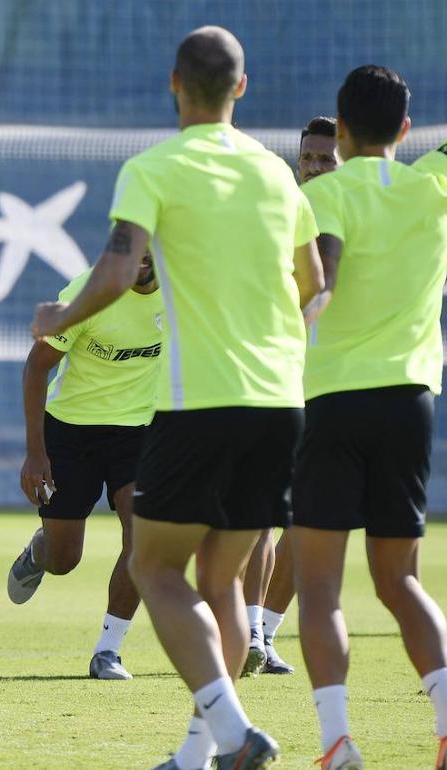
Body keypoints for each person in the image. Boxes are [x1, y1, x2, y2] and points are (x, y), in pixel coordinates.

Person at [31, 26, 323, 770]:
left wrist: (58, 319)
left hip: (201, 403)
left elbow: (117, 266)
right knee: (220, 581)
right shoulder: (276, 174)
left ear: (173, 85)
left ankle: (232, 729)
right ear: (243, 88)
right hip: (281, 400)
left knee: (155, 567)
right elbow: (313, 283)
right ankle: (200, 755)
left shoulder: (154, 168)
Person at [292, 65, 447, 770]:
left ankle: (338, 742)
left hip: (333, 401)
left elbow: (319, 274)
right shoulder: (432, 185)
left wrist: (307, 308)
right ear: (407, 132)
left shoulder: (325, 191)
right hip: (410, 402)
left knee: (320, 587)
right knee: (402, 583)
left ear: (340, 129)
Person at [7, 251, 161, 681]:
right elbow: (37, 369)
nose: (144, 257)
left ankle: (108, 651)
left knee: (144, 536)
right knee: (64, 559)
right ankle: (40, 550)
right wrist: (35, 454)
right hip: (72, 434)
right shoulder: (89, 293)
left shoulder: (185, 291)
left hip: (140, 434)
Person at [241, 115, 341, 677]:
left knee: (308, 527)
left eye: (327, 159)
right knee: (260, 520)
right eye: (309, 159)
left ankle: (266, 633)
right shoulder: (278, 217)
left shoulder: (359, 218)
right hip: (273, 385)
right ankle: (249, 629)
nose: (317, 167)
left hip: (336, 392)